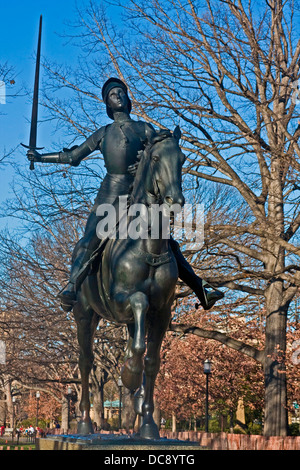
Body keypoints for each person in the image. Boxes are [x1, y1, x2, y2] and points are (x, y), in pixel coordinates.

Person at [28, 77, 224, 312]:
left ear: (127, 98)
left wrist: (146, 160)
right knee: (90, 238)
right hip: (111, 196)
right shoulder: (103, 133)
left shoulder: (144, 128)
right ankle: (71, 287)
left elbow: (156, 154)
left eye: (121, 92)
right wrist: (41, 158)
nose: (118, 96)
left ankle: (200, 288)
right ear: (108, 104)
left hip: (141, 194)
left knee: (167, 243)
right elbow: (74, 157)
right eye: (113, 94)